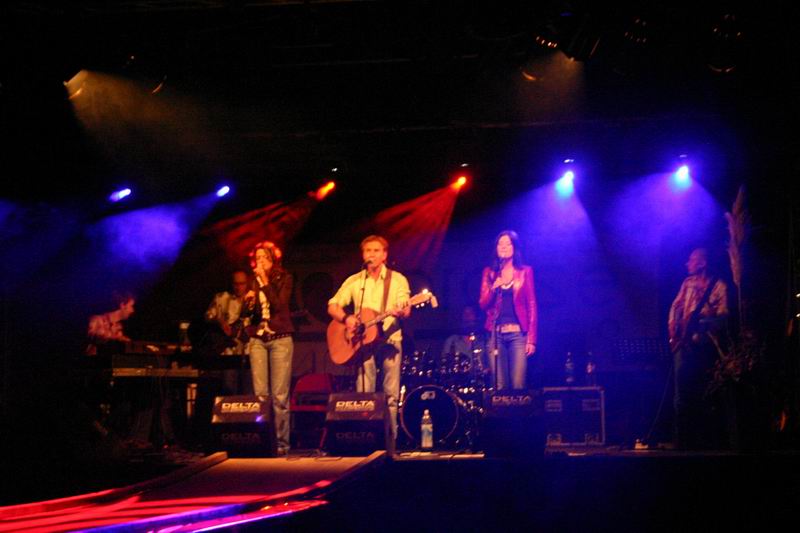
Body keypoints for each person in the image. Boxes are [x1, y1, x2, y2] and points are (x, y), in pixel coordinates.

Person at [327, 235, 411, 440]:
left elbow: (406, 308)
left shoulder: (397, 279)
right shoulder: (355, 281)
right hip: (363, 342)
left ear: (384, 255)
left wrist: (401, 310)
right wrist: (347, 318)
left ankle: (390, 440)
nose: (371, 254)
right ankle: (366, 438)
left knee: (390, 395)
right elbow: (333, 305)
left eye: (376, 250)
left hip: (390, 340)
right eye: (367, 251)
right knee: (365, 394)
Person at [668, 247, 729, 450]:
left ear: (703, 263)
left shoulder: (719, 286)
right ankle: (682, 440)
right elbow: (675, 307)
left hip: (705, 346)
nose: (687, 263)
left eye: (692, 260)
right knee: (681, 394)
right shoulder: (687, 283)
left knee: (704, 391)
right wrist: (674, 331)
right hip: (684, 344)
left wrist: (703, 321)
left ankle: (705, 441)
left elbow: (723, 317)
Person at [246, 241, 294, 455]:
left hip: (280, 339)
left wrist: (265, 282)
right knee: (260, 395)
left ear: (273, 260)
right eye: (258, 258)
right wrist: (247, 303)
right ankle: (263, 441)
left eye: (265, 258)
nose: (261, 262)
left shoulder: (285, 278)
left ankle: (282, 444)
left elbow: (279, 305)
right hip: (258, 339)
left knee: (279, 396)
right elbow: (247, 315)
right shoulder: (253, 281)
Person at [479, 230, 538, 390]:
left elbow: (532, 304)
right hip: (495, 335)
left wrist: (531, 339)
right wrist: (493, 288)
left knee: (518, 384)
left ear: (514, 247)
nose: (503, 247)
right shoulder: (490, 273)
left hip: (518, 335)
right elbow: (483, 304)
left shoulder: (525, 272)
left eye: (507, 243)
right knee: (499, 386)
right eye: (500, 244)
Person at [204, 269, 251, 394]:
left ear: (247, 283)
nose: (238, 287)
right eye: (236, 284)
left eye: (242, 283)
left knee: (249, 392)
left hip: (249, 352)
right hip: (228, 352)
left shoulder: (253, 299)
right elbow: (208, 316)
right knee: (229, 390)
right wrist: (219, 321)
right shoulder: (222, 298)